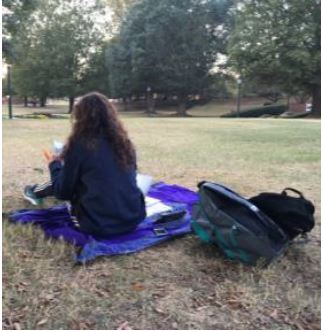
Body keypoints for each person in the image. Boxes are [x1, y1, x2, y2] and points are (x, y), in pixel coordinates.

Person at [23, 92, 146, 237]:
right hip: (133, 218)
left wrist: (54, 164)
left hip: (96, 224)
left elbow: (63, 191)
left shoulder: (80, 144)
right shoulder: (125, 143)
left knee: (66, 181)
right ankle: (34, 190)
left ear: (80, 118)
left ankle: (34, 191)